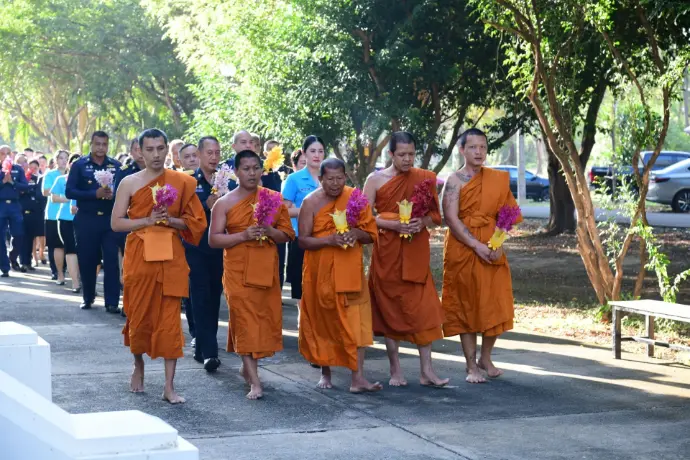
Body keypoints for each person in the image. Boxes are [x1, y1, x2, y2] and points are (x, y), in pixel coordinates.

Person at [112, 128, 206, 404]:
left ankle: (169, 386)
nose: (155, 154)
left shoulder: (181, 182)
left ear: (168, 150)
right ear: (140, 151)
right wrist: (147, 220)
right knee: (138, 314)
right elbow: (116, 223)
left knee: (170, 321)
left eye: (160, 148)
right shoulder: (129, 183)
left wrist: (170, 220)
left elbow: (195, 223)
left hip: (170, 255)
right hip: (140, 255)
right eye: (149, 149)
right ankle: (138, 364)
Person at [363, 132, 449, 388]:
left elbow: (436, 216)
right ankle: (395, 370)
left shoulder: (424, 178)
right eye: (402, 154)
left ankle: (427, 371)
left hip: (415, 250)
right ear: (391, 154)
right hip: (387, 252)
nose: (407, 159)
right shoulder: (375, 180)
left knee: (424, 308)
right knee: (390, 308)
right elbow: (363, 218)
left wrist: (421, 222)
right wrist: (393, 225)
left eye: (411, 154)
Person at [209, 150, 294, 399]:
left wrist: (269, 230)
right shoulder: (224, 203)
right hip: (237, 271)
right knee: (244, 321)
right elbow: (214, 239)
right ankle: (255, 382)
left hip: (265, 269)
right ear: (236, 172)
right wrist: (243, 235)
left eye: (256, 168)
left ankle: (248, 368)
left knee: (262, 322)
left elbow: (287, 234)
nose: (252, 173)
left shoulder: (273, 198)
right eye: (246, 169)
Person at [441, 128, 523, 383]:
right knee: (466, 304)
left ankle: (485, 358)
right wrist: (476, 245)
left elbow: (508, 215)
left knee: (496, 302)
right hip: (464, 248)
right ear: (462, 150)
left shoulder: (497, 179)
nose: (479, 152)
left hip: (492, 246)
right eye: (473, 147)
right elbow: (451, 219)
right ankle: (470, 366)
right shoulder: (454, 181)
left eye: (483, 147)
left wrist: (497, 243)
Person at [298, 158, 382, 393]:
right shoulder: (310, 202)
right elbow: (303, 240)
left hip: (350, 270)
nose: (335, 184)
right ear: (320, 179)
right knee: (324, 323)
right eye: (330, 179)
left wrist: (356, 233)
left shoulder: (355, 197)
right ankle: (325, 373)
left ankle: (358, 378)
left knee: (357, 325)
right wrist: (329, 240)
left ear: (345, 177)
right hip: (320, 274)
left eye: (339, 178)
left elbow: (371, 234)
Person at [185, 136, 235, 372]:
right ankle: (209, 352)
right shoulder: (188, 182)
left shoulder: (227, 181)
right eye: (209, 153)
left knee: (214, 296)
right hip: (195, 247)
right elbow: (183, 213)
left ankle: (203, 346)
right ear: (199, 154)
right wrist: (206, 205)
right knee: (200, 295)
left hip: (219, 246)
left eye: (217, 153)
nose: (214, 157)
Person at [65, 131, 122, 312]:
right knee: (87, 259)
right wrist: (94, 194)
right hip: (86, 219)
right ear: (91, 144)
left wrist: (114, 195)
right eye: (97, 144)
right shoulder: (79, 165)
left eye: (104, 144)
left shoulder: (115, 166)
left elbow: (123, 190)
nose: (101, 148)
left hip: (109, 220)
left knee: (111, 260)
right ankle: (88, 297)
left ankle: (112, 302)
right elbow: (69, 191)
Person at [281, 136, 324, 300]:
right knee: (302, 292)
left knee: (322, 291)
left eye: (320, 151)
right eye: (312, 151)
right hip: (301, 238)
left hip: (325, 238)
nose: (317, 155)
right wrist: (307, 211)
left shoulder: (330, 177)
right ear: (304, 153)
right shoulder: (294, 179)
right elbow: (284, 211)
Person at [114, 139, 146, 292]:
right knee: (129, 259)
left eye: (142, 148)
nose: (140, 152)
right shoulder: (124, 171)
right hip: (129, 222)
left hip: (151, 222)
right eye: (136, 149)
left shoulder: (158, 170)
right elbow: (118, 197)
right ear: (131, 152)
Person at [50, 155, 81, 293]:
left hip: (84, 219)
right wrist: (69, 198)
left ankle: (84, 280)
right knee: (71, 249)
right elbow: (54, 198)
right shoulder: (61, 179)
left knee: (85, 251)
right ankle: (75, 282)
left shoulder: (88, 181)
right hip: (65, 219)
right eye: (73, 163)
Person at [0, 145, 29, 277]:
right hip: (1, 205)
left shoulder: (17, 169)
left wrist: (12, 182)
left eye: (8, 153)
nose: (6, 156)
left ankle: (12, 256)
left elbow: (25, 187)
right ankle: (4, 267)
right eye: (2, 153)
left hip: (14, 205)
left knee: (19, 234)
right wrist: (3, 181)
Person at [11, 156, 44, 272]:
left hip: (34, 213)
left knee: (30, 238)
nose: (33, 169)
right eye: (31, 167)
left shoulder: (38, 178)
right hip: (21, 212)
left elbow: (39, 194)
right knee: (21, 238)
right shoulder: (18, 178)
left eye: (35, 167)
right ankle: (20, 261)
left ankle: (27, 262)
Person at [43, 152, 68, 281]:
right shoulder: (50, 174)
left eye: (66, 158)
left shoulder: (72, 174)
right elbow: (45, 191)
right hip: (53, 214)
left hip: (68, 214)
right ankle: (56, 271)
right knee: (55, 245)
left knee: (67, 245)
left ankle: (65, 268)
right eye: (61, 158)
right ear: (56, 160)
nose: (64, 161)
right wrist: (59, 190)